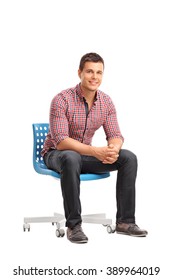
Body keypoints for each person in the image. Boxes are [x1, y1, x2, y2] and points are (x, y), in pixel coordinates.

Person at [41, 52, 148, 244]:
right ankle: (74, 225)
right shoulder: (62, 99)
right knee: (71, 157)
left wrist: (113, 150)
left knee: (128, 157)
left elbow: (115, 134)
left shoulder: (106, 102)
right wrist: (95, 151)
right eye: (89, 71)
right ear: (79, 72)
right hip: (56, 155)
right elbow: (61, 142)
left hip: (83, 156)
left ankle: (125, 222)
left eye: (99, 72)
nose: (94, 77)